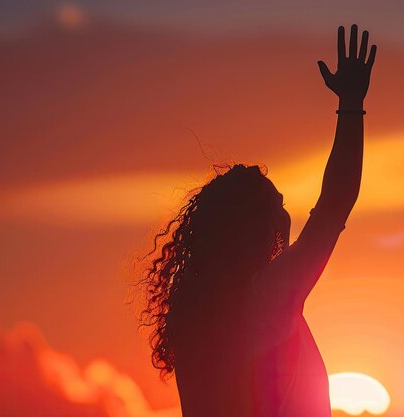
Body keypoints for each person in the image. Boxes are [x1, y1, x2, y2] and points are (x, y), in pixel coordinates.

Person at [140, 24, 377, 416]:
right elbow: (335, 203)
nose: (288, 217)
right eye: (279, 206)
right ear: (257, 229)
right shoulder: (265, 299)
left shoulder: (195, 315)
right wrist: (351, 104)